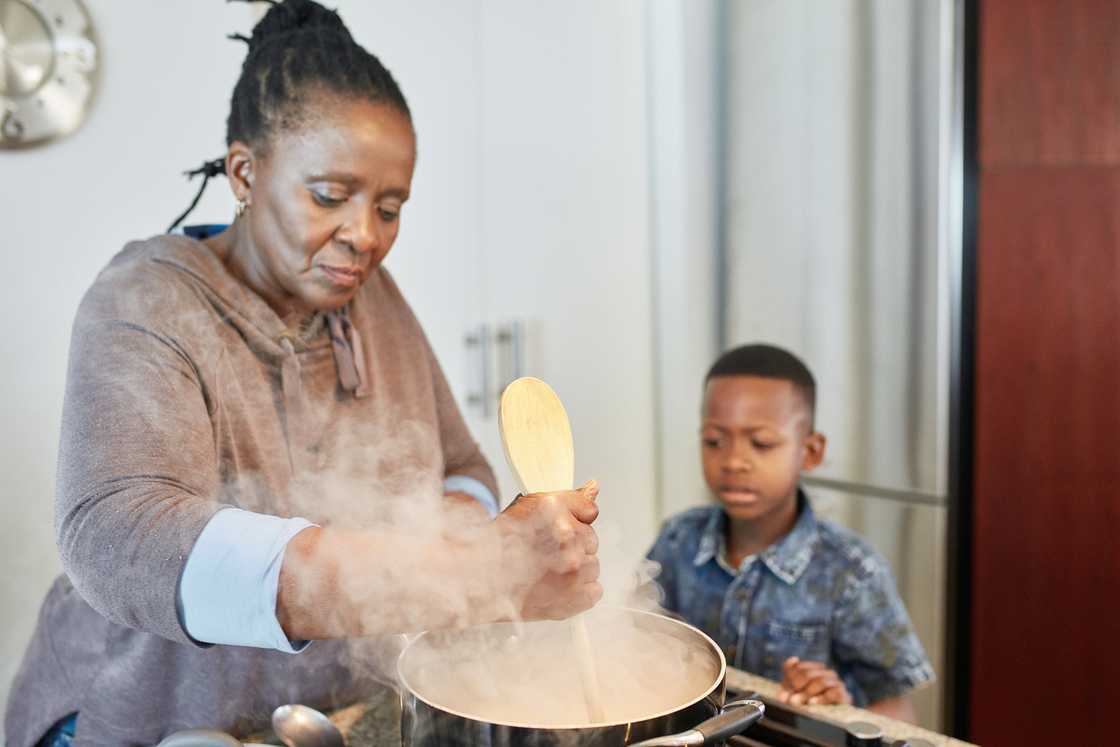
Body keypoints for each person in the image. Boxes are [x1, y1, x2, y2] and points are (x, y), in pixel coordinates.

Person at [5, 2, 601, 745]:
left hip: (323, 719)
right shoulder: (146, 298)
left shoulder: (368, 296)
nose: (364, 236)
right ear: (245, 173)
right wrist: (457, 572)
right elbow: (117, 535)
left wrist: (466, 542)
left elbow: (463, 466)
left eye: (390, 207)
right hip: (143, 719)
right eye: (329, 197)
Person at [645, 344, 933, 722]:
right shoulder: (678, 540)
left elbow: (897, 709)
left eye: (761, 443)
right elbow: (642, 637)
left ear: (810, 452)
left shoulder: (852, 573)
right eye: (714, 441)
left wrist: (840, 708)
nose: (733, 461)